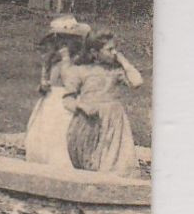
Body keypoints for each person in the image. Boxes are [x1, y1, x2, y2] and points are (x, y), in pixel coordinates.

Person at [62, 29, 145, 176]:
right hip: (89, 119)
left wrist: (122, 60)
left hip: (114, 120)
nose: (114, 52)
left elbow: (137, 82)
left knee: (112, 157)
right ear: (94, 52)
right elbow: (67, 99)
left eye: (115, 49)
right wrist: (81, 107)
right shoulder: (80, 71)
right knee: (89, 156)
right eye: (109, 49)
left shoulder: (115, 71)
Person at [24, 16, 87, 169]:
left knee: (61, 136)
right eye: (60, 41)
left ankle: (61, 167)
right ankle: (39, 163)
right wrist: (43, 85)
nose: (63, 45)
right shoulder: (52, 61)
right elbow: (45, 83)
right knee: (42, 134)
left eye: (68, 40)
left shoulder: (77, 62)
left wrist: (66, 59)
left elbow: (70, 81)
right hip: (50, 102)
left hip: (66, 101)